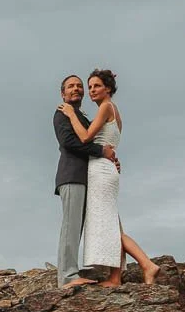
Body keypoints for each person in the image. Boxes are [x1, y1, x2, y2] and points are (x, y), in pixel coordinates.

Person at [58, 69, 160, 287]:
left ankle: (146, 264)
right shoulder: (109, 111)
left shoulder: (104, 108)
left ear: (108, 88)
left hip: (101, 172)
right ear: (62, 93)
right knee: (112, 223)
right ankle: (115, 277)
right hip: (104, 169)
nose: (91, 90)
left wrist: (71, 113)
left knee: (110, 224)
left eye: (95, 86)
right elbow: (100, 143)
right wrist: (107, 154)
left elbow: (84, 138)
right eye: (90, 86)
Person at [52, 74, 116, 288]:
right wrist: (101, 151)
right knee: (70, 225)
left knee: (77, 226)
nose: (76, 89)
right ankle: (67, 277)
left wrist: (110, 158)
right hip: (71, 175)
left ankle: (72, 270)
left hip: (84, 177)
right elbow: (70, 142)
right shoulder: (62, 113)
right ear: (63, 93)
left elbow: (95, 137)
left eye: (79, 86)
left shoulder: (80, 116)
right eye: (71, 86)